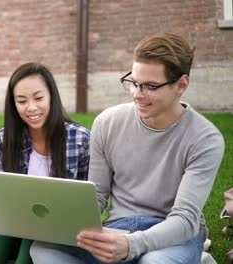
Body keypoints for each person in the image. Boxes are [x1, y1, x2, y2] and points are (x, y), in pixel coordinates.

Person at [30, 32, 225, 264]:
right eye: (133, 82)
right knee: (43, 249)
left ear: (181, 84)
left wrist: (130, 246)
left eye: (150, 86)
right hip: (118, 229)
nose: (137, 94)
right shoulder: (107, 122)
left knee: (153, 262)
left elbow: (184, 219)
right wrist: (65, 219)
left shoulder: (205, 139)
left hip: (173, 236)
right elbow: (98, 195)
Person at [0, 62, 90, 264]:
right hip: (13, 223)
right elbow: (0, 200)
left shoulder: (79, 139)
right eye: (21, 101)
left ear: (52, 97)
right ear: (13, 104)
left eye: (39, 98)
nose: (31, 108)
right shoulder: (4, 140)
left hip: (56, 227)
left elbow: (89, 200)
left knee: (25, 257)